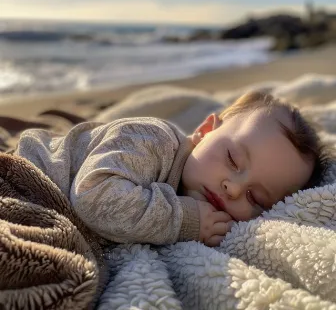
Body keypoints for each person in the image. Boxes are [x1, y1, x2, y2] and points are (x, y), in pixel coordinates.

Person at [14, 91, 329, 247]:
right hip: (27, 170)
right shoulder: (152, 139)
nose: (233, 189)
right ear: (206, 131)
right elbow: (93, 195)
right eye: (232, 159)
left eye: (256, 197)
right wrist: (182, 220)